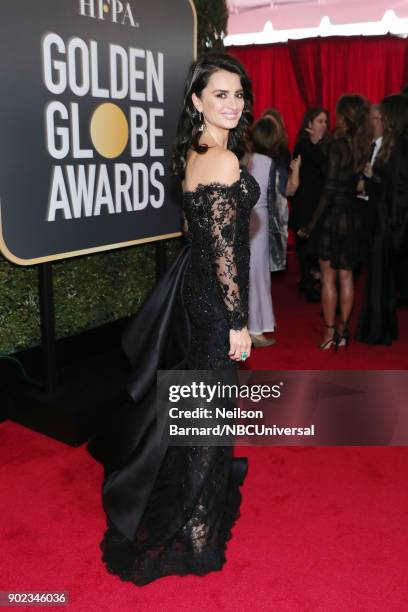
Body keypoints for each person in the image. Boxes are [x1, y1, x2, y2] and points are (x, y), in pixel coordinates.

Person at [87, 52, 260, 585]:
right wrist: (237, 322)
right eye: (219, 95)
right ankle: (196, 530)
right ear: (196, 101)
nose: (232, 104)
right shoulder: (225, 161)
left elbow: (209, 241)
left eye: (238, 94)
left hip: (195, 294)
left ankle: (193, 510)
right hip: (213, 302)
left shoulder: (198, 150)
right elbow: (225, 254)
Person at [297, 94, 371, 349]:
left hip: (332, 219)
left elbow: (328, 191)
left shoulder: (339, 145)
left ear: (344, 116)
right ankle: (343, 330)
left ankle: (329, 333)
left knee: (328, 278)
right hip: (352, 216)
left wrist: (310, 225)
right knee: (347, 277)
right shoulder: (362, 145)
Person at [355, 94, 408, 344]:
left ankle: (377, 332)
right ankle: (381, 329)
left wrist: (373, 178)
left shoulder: (398, 148)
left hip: (387, 224)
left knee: (380, 279)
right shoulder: (397, 146)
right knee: (381, 279)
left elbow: (397, 192)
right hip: (385, 222)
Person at [290, 107, 329, 302]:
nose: (323, 125)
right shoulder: (303, 145)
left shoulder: (327, 146)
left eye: (325, 122)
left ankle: (315, 279)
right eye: (320, 121)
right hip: (304, 202)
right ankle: (307, 283)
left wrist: (320, 143)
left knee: (317, 245)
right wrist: (317, 143)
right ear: (309, 124)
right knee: (304, 247)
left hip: (320, 204)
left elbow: (327, 169)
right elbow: (317, 162)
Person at [261, 108, 300, 271]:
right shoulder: (254, 151)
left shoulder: (282, 152)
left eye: (272, 124)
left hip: (276, 208)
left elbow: (287, 189)